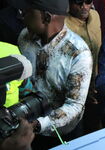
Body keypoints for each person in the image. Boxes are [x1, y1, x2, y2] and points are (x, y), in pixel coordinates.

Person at [15, 0, 93, 149]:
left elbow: (74, 105)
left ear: (46, 17)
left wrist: (38, 125)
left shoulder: (78, 53)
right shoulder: (24, 36)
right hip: (26, 130)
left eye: (28, 11)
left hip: (62, 134)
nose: (22, 15)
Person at [65, 0, 102, 133]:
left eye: (88, 2)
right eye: (79, 2)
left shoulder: (95, 17)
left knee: (95, 128)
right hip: (74, 91)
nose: (84, 7)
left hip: (96, 86)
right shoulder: (62, 23)